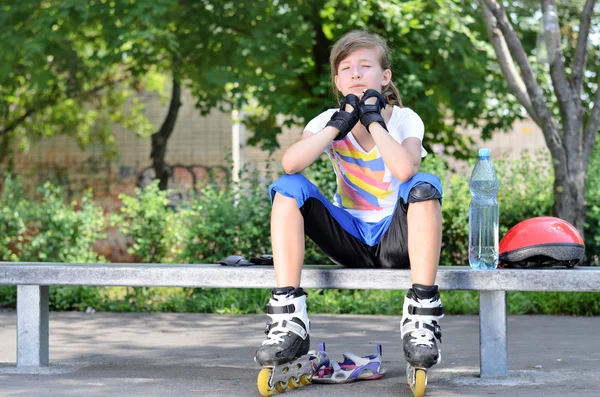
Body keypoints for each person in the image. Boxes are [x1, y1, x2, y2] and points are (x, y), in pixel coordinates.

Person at [254, 30, 444, 373]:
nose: (355, 73)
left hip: (395, 240)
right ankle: (289, 318)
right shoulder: (325, 120)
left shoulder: (404, 119)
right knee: (288, 187)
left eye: (365, 65)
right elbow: (290, 164)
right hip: (349, 238)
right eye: (346, 68)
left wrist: (373, 122)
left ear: (384, 77)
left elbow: (404, 169)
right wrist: (336, 126)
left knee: (424, 185)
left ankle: (422, 317)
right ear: (338, 82)